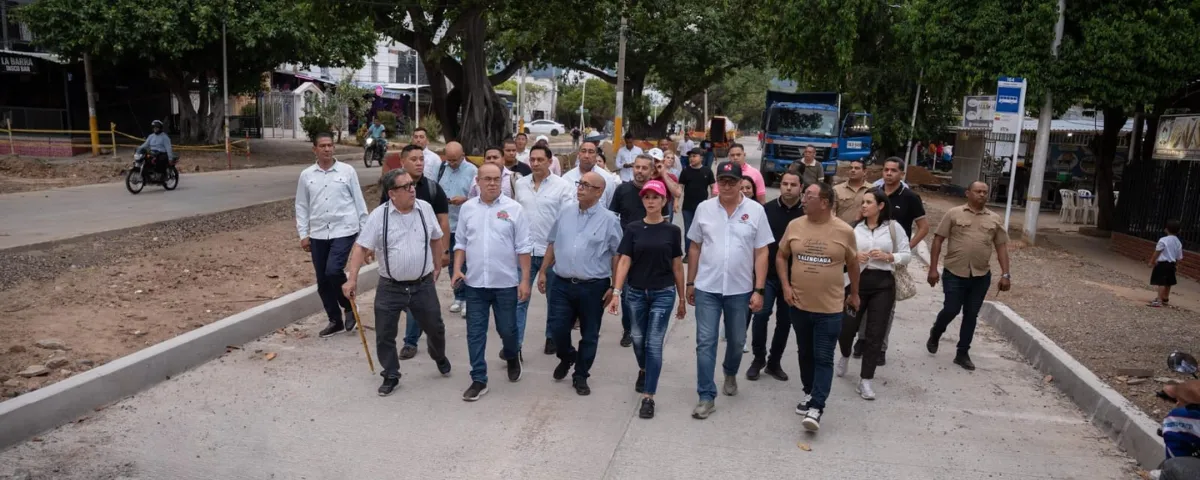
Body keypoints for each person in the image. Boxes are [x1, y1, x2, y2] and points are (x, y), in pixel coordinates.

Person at [342, 169, 451, 396]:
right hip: (390, 286)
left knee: (436, 328)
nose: (412, 189)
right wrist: (352, 279)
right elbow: (361, 247)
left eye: (412, 185)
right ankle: (391, 374)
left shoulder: (425, 209)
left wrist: (437, 262)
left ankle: (438, 355)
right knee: (384, 334)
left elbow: (435, 237)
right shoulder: (378, 216)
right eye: (406, 187)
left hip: (423, 285)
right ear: (392, 193)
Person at [686, 161, 773, 420]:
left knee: (736, 341)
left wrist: (759, 289)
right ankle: (706, 395)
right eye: (721, 181)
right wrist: (690, 283)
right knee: (705, 342)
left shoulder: (756, 211)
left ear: (740, 183)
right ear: (716, 183)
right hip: (707, 288)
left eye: (731, 181)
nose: (725, 186)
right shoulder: (704, 209)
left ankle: (730, 371)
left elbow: (762, 251)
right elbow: (694, 247)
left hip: (740, 289)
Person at [778, 181, 860, 432]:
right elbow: (781, 256)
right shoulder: (794, 226)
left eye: (809, 195)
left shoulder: (844, 231)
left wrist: (854, 293)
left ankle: (817, 407)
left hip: (830, 308)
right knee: (805, 353)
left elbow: (854, 264)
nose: (803, 199)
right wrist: (786, 286)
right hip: (799, 304)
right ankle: (809, 391)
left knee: (823, 357)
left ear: (824, 202)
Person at [453, 163, 533, 401]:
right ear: (477, 181)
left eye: (496, 179)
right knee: (475, 332)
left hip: (505, 283)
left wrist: (525, 280)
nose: (491, 183)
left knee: (507, 330)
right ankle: (479, 378)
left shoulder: (515, 209)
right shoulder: (468, 209)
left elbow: (523, 248)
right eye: (486, 179)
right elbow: (461, 243)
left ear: (502, 181)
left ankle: (511, 355)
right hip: (475, 285)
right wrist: (457, 268)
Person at [539, 171, 623, 396]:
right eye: (579, 183)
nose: (580, 188)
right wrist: (543, 271)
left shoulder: (610, 220)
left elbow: (617, 255)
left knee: (590, 332)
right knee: (557, 328)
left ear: (599, 191)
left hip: (593, 286)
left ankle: (581, 375)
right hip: (562, 282)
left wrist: (614, 287)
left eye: (586, 185)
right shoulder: (565, 212)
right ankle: (567, 357)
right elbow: (552, 243)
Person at [608, 179, 687, 419]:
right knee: (638, 338)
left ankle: (648, 396)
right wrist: (616, 292)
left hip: (663, 292)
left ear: (664, 201)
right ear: (642, 200)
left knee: (654, 344)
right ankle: (643, 369)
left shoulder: (672, 231)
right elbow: (624, 261)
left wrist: (682, 297)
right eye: (647, 197)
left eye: (656, 197)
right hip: (635, 293)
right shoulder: (632, 228)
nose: (651, 201)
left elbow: (677, 265)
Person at [926, 181, 1011, 371]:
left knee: (971, 315)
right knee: (951, 309)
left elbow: (1001, 247)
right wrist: (933, 269)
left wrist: (1006, 274)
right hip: (955, 272)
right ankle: (936, 331)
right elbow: (938, 240)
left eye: (985, 192)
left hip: (981, 274)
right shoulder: (954, 213)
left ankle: (962, 352)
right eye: (978, 191)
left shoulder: (994, 218)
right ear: (967, 193)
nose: (982, 195)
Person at [835, 188, 910, 401]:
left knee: (875, 332)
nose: (864, 206)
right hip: (855, 283)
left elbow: (906, 255)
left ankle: (866, 380)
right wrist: (854, 256)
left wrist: (890, 256)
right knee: (847, 327)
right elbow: (840, 253)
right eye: (863, 202)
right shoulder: (853, 229)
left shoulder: (894, 229)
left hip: (883, 284)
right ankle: (845, 354)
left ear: (881, 206)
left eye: (869, 202)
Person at [853, 157, 928, 363]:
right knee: (862, 302)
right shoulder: (873, 194)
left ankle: (880, 347)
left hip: (891, 260)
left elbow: (924, 228)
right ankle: (862, 339)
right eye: (885, 169)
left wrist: (904, 250)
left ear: (901, 174)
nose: (888, 173)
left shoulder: (910, 197)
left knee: (886, 308)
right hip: (866, 259)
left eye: (893, 170)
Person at [380, 145, 452, 360]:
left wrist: (444, 252)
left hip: (425, 255)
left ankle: (411, 341)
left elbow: (443, 221)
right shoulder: (390, 189)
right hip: (399, 254)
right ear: (403, 163)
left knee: (417, 300)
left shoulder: (433, 189)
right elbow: (383, 218)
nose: (420, 163)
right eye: (414, 159)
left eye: (422, 158)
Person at [294, 132, 369, 338]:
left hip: (344, 228)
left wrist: (365, 234)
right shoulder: (307, 175)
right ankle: (334, 320)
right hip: (318, 232)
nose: (327, 149)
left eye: (330, 145)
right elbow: (301, 206)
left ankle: (349, 306)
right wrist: (303, 233)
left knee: (333, 270)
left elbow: (359, 201)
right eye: (323, 146)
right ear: (315, 149)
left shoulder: (347, 171)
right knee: (322, 280)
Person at [515, 145, 575, 355]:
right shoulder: (520, 184)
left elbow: (568, 220)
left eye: (540, 159)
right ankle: (516, 346)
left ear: (550, 162)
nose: (535, 163)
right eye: (532, 159)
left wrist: (563, 250)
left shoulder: (563, 187)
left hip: (552, 253)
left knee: (554, 300)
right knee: (520, 299)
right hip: (524, 253)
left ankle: (551, 337)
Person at [746, 171, 804, 382]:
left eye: (793, 184)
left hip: (794, 278)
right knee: (760, 315)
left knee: (785, 321)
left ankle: (774, 362)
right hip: (768, 275)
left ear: (801, 188)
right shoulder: (766, 210)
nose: (788, 187)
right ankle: (758, 358)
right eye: (785, 183)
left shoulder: (806, 214)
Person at [609, 154, 660, 348]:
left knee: (647, 292)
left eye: (644, 168)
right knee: (626, 293)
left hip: (650, 251)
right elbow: (613, 218)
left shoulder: (656, 192)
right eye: (637, 167)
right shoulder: (622, 190)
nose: (639, 171)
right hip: (626, 250)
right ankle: (628, 329)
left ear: (651, 170)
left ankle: (645, 327)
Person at [435, 141, 478, 318]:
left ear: (463, 155)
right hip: (446, 224)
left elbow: (479, 197)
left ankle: (470, 298)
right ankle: (458, 296)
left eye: (455, 160)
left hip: (465, 223)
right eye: (449, 159)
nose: (451, 163)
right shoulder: (441, 168)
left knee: (467, 262)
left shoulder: (473, 171)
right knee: (451, 262)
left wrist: (465, 199)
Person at [678, 148, 714, 256]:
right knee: (688, 231)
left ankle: (702, 253)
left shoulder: (707, 171)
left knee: (703, 230)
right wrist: (676, 201)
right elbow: (680, 187)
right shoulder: (685, 171)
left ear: (701, 158)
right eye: (690, 156)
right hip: (687, 207)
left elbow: (713, 187)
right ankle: (688, 254)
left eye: (694, 156)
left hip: (703, 208)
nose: (691, 158)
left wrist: (713, 202)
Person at [563, 140, 619, 207]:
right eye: (583, 151)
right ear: (578, 154)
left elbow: (610, 206)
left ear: (596, 156)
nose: (586, 156)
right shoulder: (566, 178)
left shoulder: (607, 179)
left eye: (591, 152)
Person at [1149, 219, 1184, 308]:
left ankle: (1159, 300)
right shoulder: (1178, 242)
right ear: (1179, 231)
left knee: (1161, 282)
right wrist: (1177, 265)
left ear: (1166, 229)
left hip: (1162, 264)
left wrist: (1152, 261)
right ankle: (1165, 298)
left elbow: (1157, 251)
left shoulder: (1163, 240)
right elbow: (1179, 256)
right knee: (1168, 282)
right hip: (1172, 264)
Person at [833, 159, 869, 224]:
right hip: (842, 230)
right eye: (851, 168)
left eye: (857, 168)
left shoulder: (872, 189)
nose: (853, 170)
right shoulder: (837, 189)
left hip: (864, 231)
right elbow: (831, 213)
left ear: (865, 172)